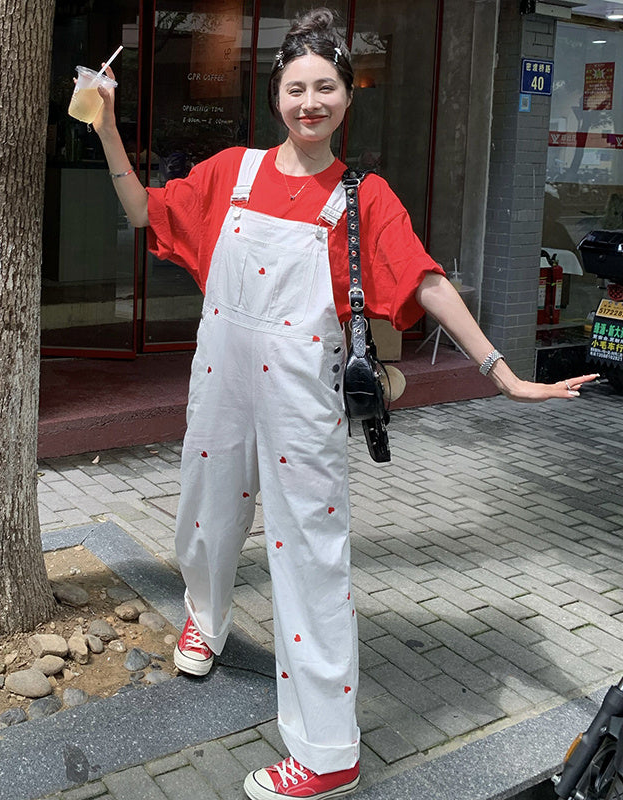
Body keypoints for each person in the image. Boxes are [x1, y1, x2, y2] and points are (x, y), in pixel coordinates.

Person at [91, 9, 598, 799]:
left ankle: (327, 755)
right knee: (203, 512)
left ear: (346, 95)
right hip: (221, 379)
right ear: (276, 95)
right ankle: (207, 614)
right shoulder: (232, 172)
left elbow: (425, 280)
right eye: (296, 87)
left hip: (302, 402)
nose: (309, 102)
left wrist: (501, 371)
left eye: (325, 86)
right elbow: (142, 213)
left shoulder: (364, 195)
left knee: (313, 563)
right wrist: (106, 127)